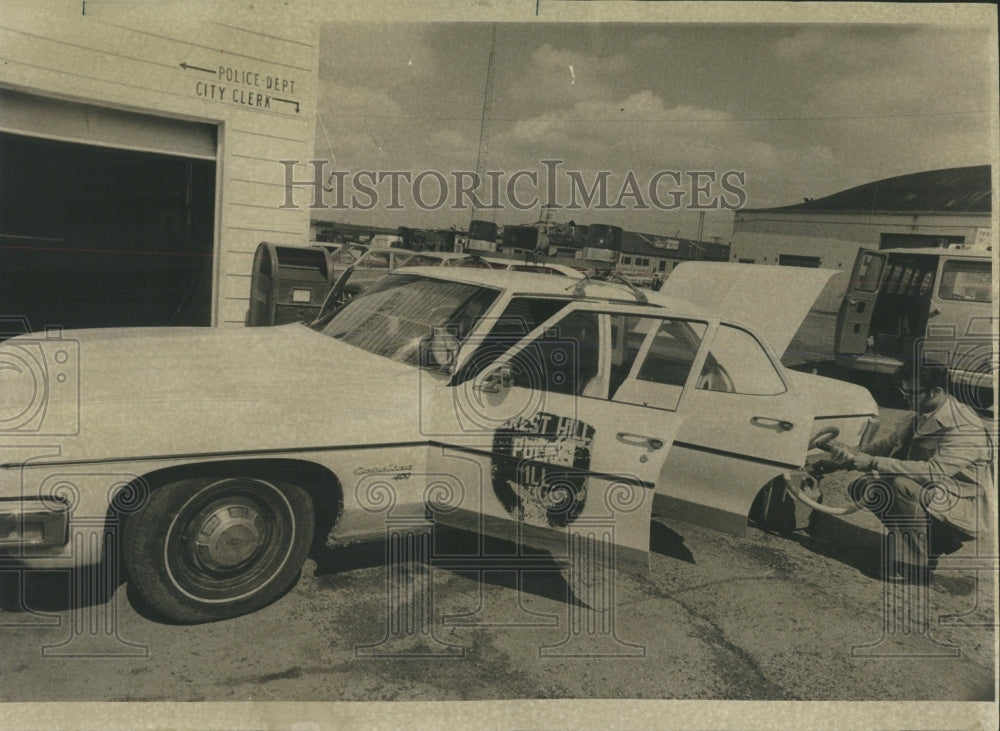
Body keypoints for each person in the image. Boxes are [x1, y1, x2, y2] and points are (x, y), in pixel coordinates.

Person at [825, 360, 993, 582]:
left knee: (900, 486)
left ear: (936, 391)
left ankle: (913, 567)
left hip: (965, 506)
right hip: (938, 495)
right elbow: (888, 443)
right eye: (903, 390)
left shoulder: (965, 426)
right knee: (865, 487)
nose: (905, 396)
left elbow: (934, 471)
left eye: (911, 392)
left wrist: (873, 462)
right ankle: (929, 545)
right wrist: (846, 459)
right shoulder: (925, 412)